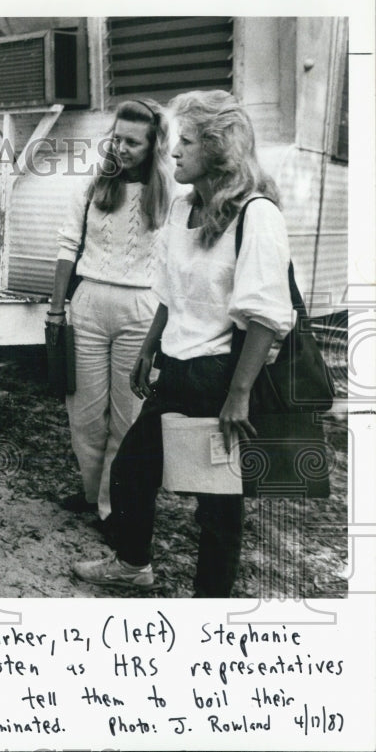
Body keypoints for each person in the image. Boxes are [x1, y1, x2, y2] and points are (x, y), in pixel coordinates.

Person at [73, 90, 295, 597]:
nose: (173, 152)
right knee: (132, 470)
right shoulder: (180, 208)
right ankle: (133, 565)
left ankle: (209, 604)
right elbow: (171, 291)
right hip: (175, 366)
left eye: (187, 142)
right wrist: (150, 347)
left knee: (217, 505)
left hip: (219, 376)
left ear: (219, 149)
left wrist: (238, 395)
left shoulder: (256, 215)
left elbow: (264, 317)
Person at [46, 99, 175, 542]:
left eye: (132, 142)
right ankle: (90, 493)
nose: (120, 147)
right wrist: (56, 309)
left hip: (142, 311)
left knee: (129, 416)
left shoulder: (173, 193)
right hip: (89, 305)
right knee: (83, 411)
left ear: (155, 146)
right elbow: (67, 248)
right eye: (116, 137)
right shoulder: (94, 186)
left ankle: (113, 507)